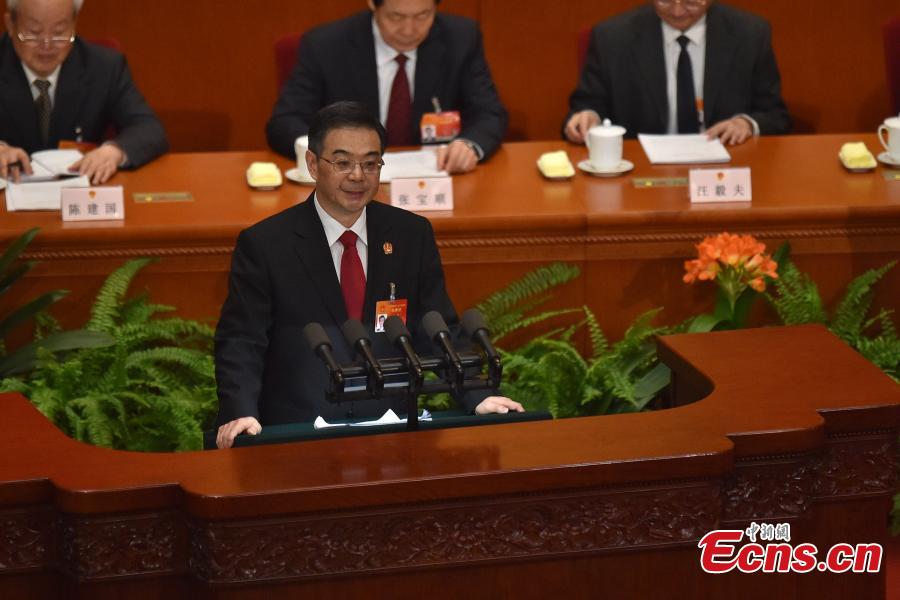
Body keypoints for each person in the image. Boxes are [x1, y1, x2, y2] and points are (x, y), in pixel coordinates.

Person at [216, 101, 522, 449]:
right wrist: (240, 412)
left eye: (370, 163)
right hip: (298, 433)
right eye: (343, 162)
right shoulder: (267, 244)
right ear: (313, 164)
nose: (358, 176)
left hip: (391, 432)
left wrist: (480, 395)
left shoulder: (410, 235)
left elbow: (437, 327)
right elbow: (242, 342)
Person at [266, 0, 507, 175]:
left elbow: (489, 113)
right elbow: (285, 122)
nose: (409, 29)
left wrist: (468, 145)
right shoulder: (325, 45)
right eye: (396, 17)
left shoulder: (462, 38)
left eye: (423, 15)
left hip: (434, 180)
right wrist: (331, 154)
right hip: (349, 185)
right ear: (373, 4)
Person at [564, 0, 790, 146]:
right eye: (665, 0)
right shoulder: (612, 37)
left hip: (726, 168)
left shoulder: (750, 34)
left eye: (691, 2)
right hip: (640, 170)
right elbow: (588, 105)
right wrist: (587, 118)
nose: (677, 11)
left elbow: (775, 115)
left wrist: (746, 124)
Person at [0, 0, 167, 184]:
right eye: (34, 32)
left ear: (74, 25)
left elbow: (149, 128)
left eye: (59, 32)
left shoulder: (104, 67)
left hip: (81, 192)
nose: (47, 44)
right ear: (10, 25)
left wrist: (114, 151)